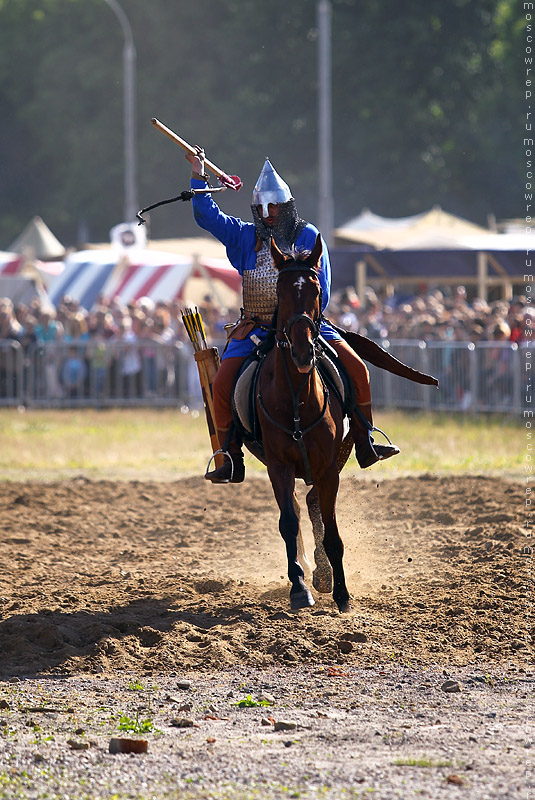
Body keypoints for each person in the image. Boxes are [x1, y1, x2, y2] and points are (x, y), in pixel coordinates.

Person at [186, 147, 399, 483]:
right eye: (262, 207)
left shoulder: (308, 235)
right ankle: (230, 456)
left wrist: (303, 321)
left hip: (304, 326)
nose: (269, 213)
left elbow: (322, 288)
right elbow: (207, 216)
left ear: (286, 206)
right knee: (223, 383)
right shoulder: (244, 236)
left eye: (274, 206)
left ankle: (364, 440)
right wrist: (200, 175)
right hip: (255, 328)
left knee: (357, 369)